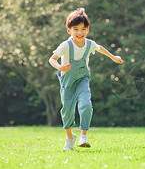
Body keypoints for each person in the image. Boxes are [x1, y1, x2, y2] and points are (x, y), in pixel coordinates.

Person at [49, 8, 123, 150]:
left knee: (86, 105)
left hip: (83, 80)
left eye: (83, 29)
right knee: (67, 111)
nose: (79, 33)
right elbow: (52, 59)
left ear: (88, 29)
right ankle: (70, 137)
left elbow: (100, 48)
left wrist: (113, 57)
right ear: (68, 30)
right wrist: (59, 67)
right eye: (75, 29)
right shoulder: (66, 45)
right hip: (67, 83)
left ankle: (83, 135)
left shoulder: (89, 44)